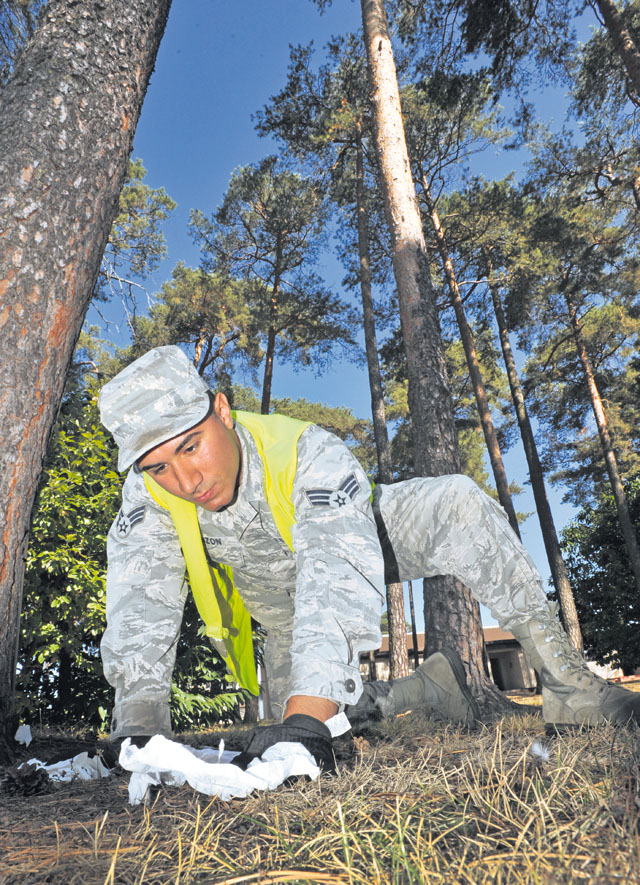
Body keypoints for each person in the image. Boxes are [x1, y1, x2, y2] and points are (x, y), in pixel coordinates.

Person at [98, 346, 639, 769]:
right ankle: (430, 687)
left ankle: (571, 689)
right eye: (158, 466)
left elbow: (335, 569)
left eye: (191, 446)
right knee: (313, 714)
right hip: (282, 614)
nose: (185, 481)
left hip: (365, 537)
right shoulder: (150, 494)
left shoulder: (307, 452)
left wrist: (307, 718)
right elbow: (139, 599)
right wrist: (140, 728)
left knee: (457, 499)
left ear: (222, 410)